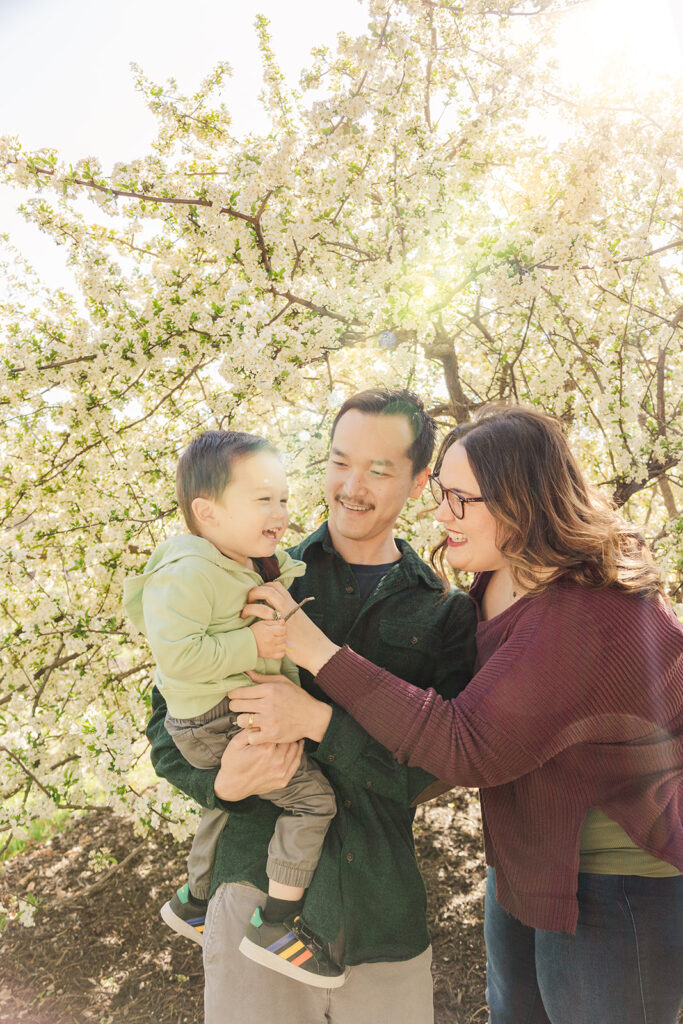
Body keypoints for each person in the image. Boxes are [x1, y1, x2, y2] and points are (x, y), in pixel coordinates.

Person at [232, 404, 683, 1024]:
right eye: (442, 493)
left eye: (460, 500)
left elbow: (466, 742)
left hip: (613, 878)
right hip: (529, 860)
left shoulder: (583, 611)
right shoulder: (501, 578)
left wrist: (313, 652)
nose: (441, 514)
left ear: (521, 502)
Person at [146, 388, 477, 1023]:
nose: (353, 485)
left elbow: (448, 765)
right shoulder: (250, 571)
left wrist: (320, 724)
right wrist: (220, 782)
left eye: (380, 471)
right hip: (250, 899)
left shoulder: (445, 613)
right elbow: (167, 723)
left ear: (417, 483)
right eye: (339, 461)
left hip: (380, 913)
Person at [124, 430, 343, 986]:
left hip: (222, 714)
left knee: (232, 793)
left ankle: (193, 901)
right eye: (262, 498)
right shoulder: (189, 572)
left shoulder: (241, 561)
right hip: (214, 717)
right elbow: (176, 658)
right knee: (313, 802)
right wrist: (255, 645)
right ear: (208, 512)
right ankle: (274, 922)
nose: (281, 511)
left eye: (284, 498)